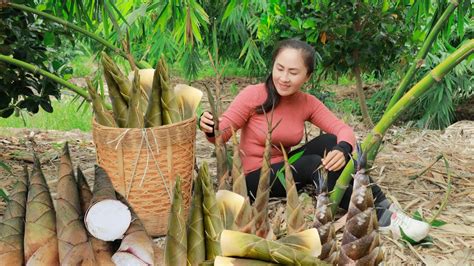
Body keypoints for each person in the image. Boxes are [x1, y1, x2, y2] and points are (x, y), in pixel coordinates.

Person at [199, 39, 429, 242]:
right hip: (254, 179)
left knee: (330, 140)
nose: (284, 78)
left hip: (287, 168)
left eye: (293, 72)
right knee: (311, 163)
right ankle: (379, 217)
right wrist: (210, 126)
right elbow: (223, 132)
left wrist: (341, 148)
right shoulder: (254, 94)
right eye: (279, 69)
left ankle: (383, 205)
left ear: (307, 76)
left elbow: (343, 130)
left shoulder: (306, 102)